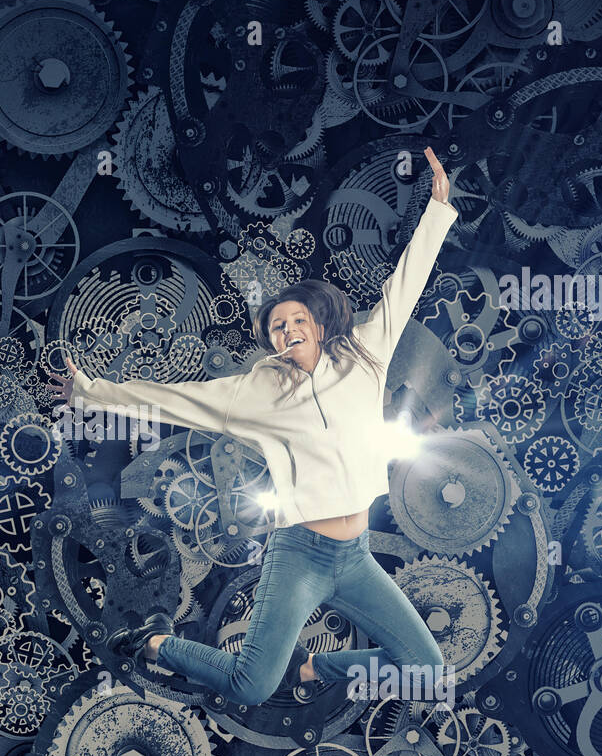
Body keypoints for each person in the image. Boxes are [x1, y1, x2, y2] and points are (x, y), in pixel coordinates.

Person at [47, 147, 458, 707]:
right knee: (254, 685)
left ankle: (319, 668)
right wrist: (91, 391)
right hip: (301, 555)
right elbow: (175, 401)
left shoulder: (364, 355)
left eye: (294, 321)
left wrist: (436, 211)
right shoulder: (259, 392)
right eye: (275, 326)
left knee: (427, 671)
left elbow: (403, 288)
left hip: (356, 555)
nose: (285, 330)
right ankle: (156, 645)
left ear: (318, 322)